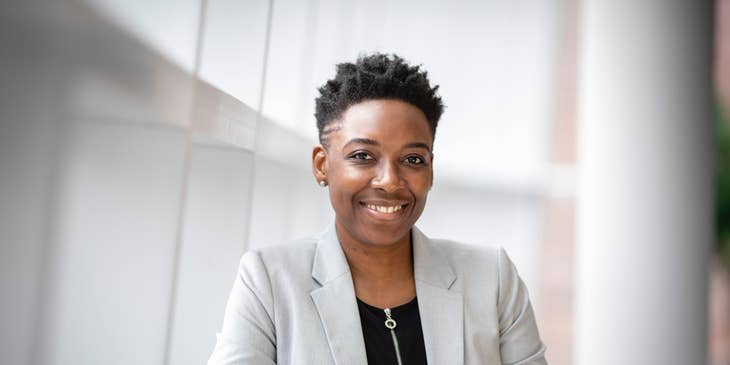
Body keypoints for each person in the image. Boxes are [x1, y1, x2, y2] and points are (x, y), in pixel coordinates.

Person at [207, 53, 547, 365]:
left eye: (413, 159)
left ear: (430, 170)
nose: (389, 181)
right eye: (362, 156)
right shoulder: (269, 281)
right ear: (322, 165)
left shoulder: (493, 280)